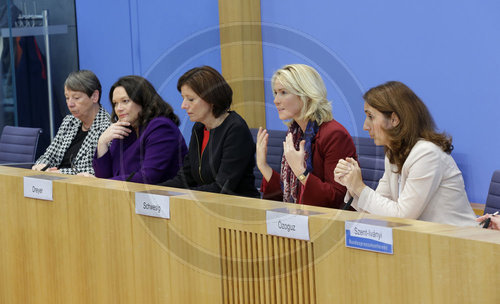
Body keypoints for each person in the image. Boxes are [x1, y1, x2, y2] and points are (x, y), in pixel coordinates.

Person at [334, 81, 476, 226]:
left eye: (371, 117)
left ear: (394, 119)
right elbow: (378, 208)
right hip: (426, 241)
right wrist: (351, 185)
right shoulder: (393, 153)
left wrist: (359, 187)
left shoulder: (426, 154)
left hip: (461, 243)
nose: (365, 126)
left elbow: (403, 216)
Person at [256, 64, 357, 208]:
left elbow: (337, 199)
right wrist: (262, 165)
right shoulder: (295, 134)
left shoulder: (334, 135)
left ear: (306, 95)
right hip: (299, 221)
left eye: (283, 92)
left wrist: (300, 171)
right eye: (275, 93)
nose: (276, 100)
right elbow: (287, 194)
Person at [159, 66, 259, 197]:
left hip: (238, 209)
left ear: (211, 98)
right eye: (183, 98)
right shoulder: (199, 128)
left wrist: (180, 196)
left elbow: (222, 187)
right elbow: (185, 178)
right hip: (208, 204)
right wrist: (153, 191)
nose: (183, 106)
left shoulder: (235, 129)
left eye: (190, 99)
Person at [92, 75, 187, 184]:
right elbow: (105, 175)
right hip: (129, 197)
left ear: (142, 100)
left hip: (164, 198)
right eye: (115, 103)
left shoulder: (161, 127)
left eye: (125, 101)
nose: (119, 108)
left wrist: (102, 183)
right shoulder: (125, 128)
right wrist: (102, 142)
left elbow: (148, 177)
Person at [32, 70, 110, 174]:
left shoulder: (108, 127)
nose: (70, 104)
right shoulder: (69, 121)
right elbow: (49, 156)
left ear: (94, 96)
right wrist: (42, 166)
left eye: (76, 98)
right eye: (67, 98)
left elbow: (97, 171)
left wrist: (61, 173)